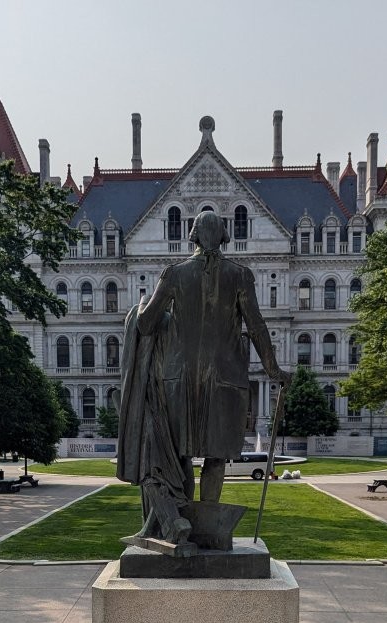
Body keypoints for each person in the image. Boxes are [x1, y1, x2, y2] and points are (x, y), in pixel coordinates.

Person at [115, 209, 291, 544]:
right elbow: (256, 325)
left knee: (178, 455)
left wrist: (141, 306)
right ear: (224, 238)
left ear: (192, 236)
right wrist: (274, 370)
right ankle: (207, 529)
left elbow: (146, 324)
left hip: (177, 380)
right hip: (225, 380)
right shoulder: (240, 275)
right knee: (215, 456)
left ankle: (178, 523)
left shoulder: (174, 274)